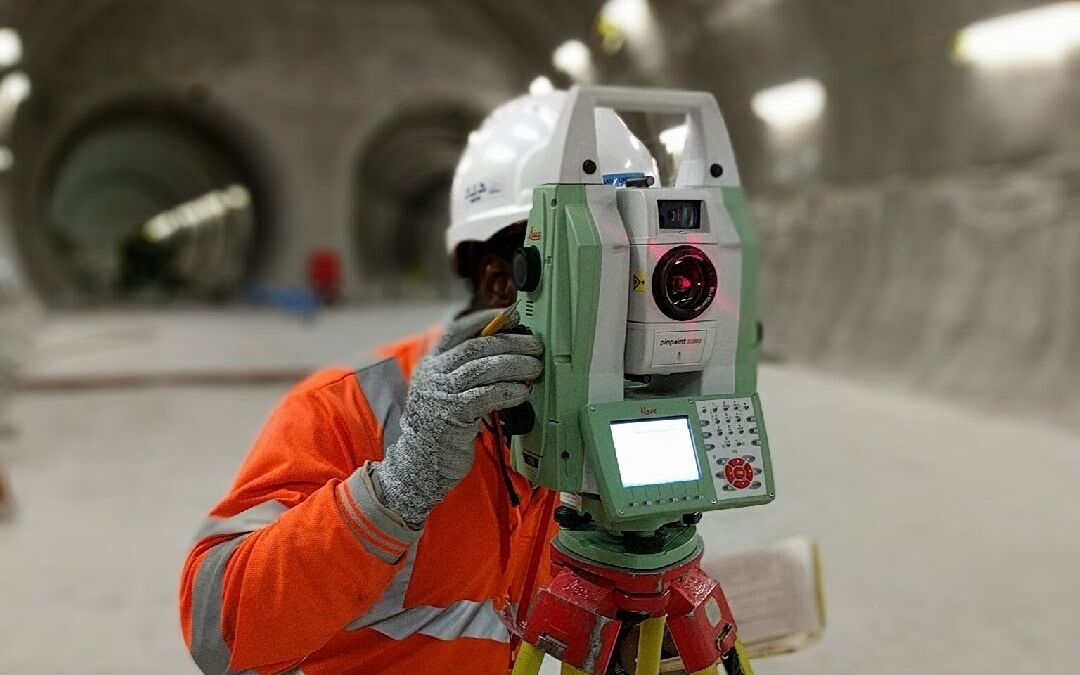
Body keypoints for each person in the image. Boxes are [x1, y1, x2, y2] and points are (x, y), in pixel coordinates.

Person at [179, 91, 659, 675]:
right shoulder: (347, 407)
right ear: (503, 282)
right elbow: (219, 632)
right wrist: (398, 489)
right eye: (600, 274)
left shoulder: (613, 413)